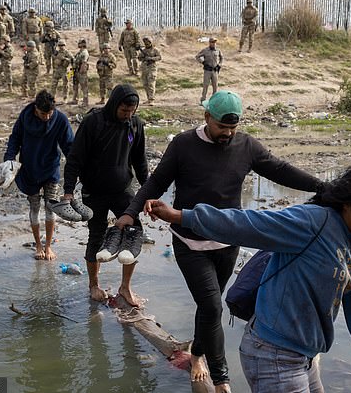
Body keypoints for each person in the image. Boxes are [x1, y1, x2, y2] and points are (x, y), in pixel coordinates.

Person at [115, 90, 325, 392]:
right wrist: (130, 212)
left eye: (233, 128)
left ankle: (197, 352)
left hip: (228, 243)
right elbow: (157, 181)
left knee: (208, 307)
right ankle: (221, 377)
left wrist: (322, 186)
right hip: (190, 242)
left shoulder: (246, 146)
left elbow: (280, 170)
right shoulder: (183, 144)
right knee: (213, 307)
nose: (227, 133)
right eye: (221, 127)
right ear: (206, 117)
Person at [145, 162, 351, 393]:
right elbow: (246, 224)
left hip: (306, 354)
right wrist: (182, 216)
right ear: (347, 204)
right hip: (273, 354)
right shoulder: (313, 222)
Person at [62, 84, 148, 307]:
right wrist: (68, 191)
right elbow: (75, 158)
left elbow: (140, 160)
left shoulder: (135, 125)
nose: (127, 115)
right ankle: (94, 285)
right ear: (114, 104)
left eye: (131, 111)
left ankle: (125, 288)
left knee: (133, 234)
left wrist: (148, 192)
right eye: (124, 111)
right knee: (96, 236)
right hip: (94, 191)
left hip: (123, 189)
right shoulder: (94, 122)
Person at [1, 90, 74, 260]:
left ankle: (48, 246)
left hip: (50, 169)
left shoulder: (60, 120)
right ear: (35, 109)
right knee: (34, 208)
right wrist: (9, 161)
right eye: (43, 114)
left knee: (51, 207)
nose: (47, 117)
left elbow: (69, 146)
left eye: (50, 113)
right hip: (29, 170)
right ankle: (38, 245)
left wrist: (78, 166)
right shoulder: (25, 118)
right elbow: (15, 139)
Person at [196, 37, 223, 103]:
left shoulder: (218, 50)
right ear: (209, 43)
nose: (214, 44)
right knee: (205, 85)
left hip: (215, 71)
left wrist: (219, 65)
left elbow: (221, 58)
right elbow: (197, 56)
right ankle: (203, 100)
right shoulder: (205, 50)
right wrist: (203, 62)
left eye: (215, 42)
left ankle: (214, 101)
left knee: (215, 86)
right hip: (207, 70)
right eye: (212, 42)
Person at [137, 36, 161, 105]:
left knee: (151, 83)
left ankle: (151, 99)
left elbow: (159, 57)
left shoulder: (155, 50)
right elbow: (139, 58)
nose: (146, 44)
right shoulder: (143, 50)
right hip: (144, 68)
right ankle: (148, 98)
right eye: (145, 43)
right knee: (145, 84)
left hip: (152, 68)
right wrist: (142, 57)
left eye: (148, 43)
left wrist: (151, 58)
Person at [70, 38, 90, 107]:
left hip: (81, 72)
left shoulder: (84, 52)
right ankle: (75, 99)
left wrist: (81, 71)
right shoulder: (79, 52)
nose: (79, 44)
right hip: (76, 71)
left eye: (80, 43)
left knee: (84, 87)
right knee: (75, 86)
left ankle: (85, 102)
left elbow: (84, 62)